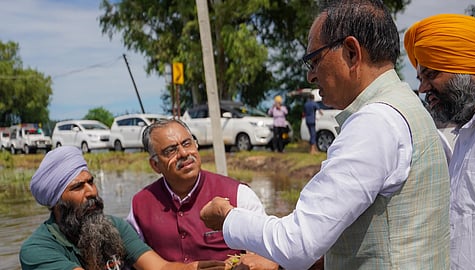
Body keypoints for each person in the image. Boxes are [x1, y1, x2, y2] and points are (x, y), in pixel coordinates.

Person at [199, 0, 451, 269]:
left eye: (314, 60)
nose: (310, 76)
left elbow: (297, 244)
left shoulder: (374, 124)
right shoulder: (410, 108)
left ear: (352, 53)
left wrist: (228, 217)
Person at [19, 146, 225, 270]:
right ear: (57, 202)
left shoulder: (113, 226)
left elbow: (160, 267)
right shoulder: (37, 250)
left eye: (91, 182)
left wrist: (194, 268)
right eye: (78, 187)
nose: (91, 191)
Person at [127, 118, 279, 270]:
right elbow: (133, 259)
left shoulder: (238, 194)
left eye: (187, 143)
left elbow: (270, 253)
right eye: (171, 150)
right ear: (155, 165)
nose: (184, 153)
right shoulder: (140, 205)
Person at [404, 13, 475, 269]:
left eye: (431, 74)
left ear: (468, 67)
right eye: (420, 79)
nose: (423, 89)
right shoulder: (464, 137)